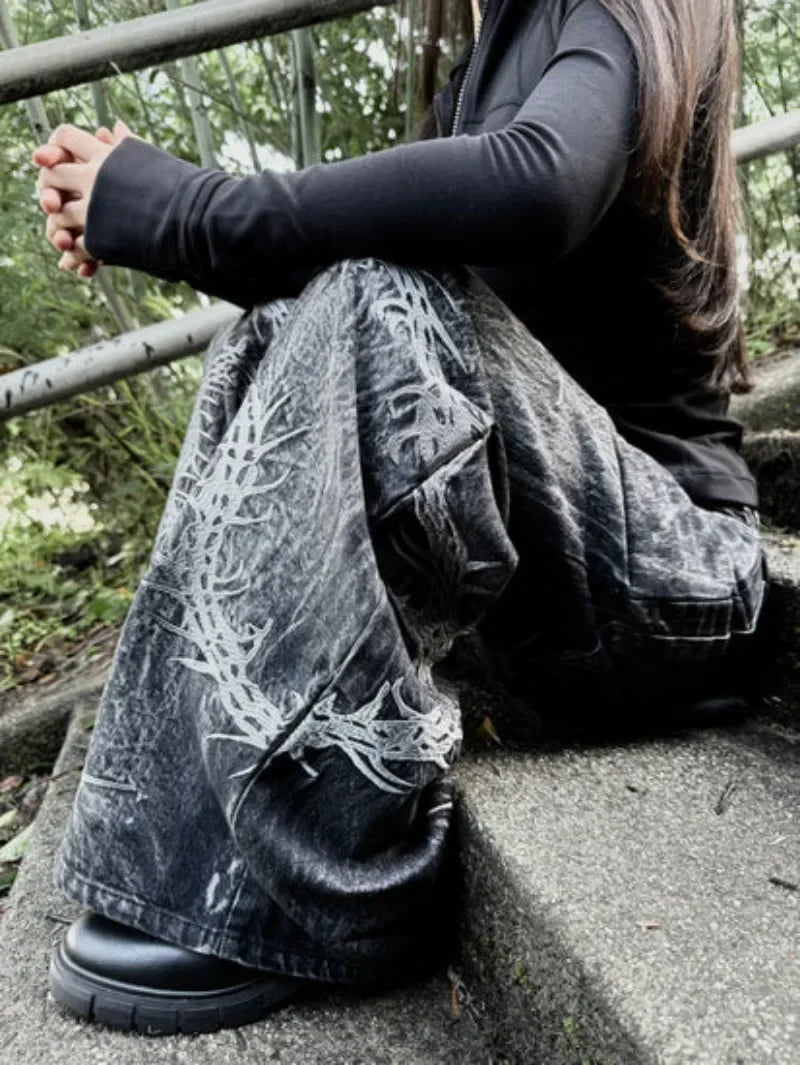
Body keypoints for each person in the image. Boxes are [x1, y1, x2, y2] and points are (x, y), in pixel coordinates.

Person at [33, 0, 765, 1037]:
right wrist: (137, 204)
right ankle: (175, 827)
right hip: (538, 593)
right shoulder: (483, 55)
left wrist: (190, 205)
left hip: (672, 581)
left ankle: (327, 874)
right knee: (293, 312)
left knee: (377, 284)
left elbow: (538, 183)